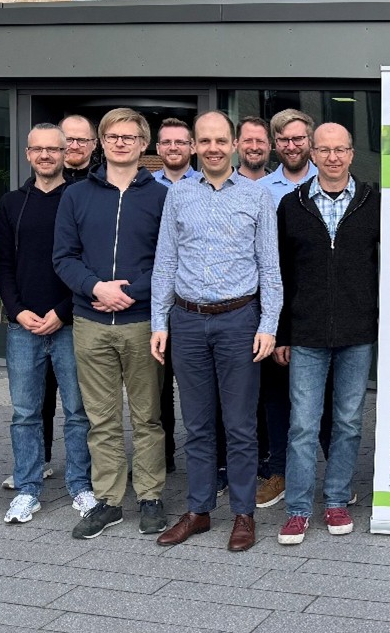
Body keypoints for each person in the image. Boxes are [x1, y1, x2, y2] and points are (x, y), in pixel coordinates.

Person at [151, 110, 282, 552]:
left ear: (234, 145)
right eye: (204, 141)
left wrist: (268, 324)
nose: (212, 148)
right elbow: (165, 261)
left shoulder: (257, 196)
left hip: (238, 320)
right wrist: (159, 321)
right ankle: (199, 510)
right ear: (193, 146)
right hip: (187, 321)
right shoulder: (178, 195)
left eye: (220, 140)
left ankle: (243, 514)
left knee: (241, 426)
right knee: (198, 424)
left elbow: (270, 267)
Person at [54, 107, 169, 540]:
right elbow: (63, 256)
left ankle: (151, 496)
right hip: (90, 322)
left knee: (148, 417)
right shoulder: (76, 195)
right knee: (100, 419)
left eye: (130, 137)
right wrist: (96, 288)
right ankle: (108, 500)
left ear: (144, 144)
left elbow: (169, 260)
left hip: (142, 322)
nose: (121, 143)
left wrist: (131, 292)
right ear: (102, 143)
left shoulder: (162, 197)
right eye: (113, 136)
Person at [274, 122, 380, 546]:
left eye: (340, 149)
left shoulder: (374, 203)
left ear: (351, 153)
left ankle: (336, 499)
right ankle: (298, 510)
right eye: (324, 150)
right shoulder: (291, 205)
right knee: (302, 424)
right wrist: (282, 332)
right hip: (306, 332)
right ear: (312, 155)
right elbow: (280, 274)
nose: (332, 157)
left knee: (349, 422)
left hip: (357, 330)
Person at [0, 124, 97, 525]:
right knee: (25, 413)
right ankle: (27, 489)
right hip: (23, 326)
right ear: (28, 154)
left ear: (65, 152)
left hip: (69, 321)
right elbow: (3, 264)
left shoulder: (80, 198)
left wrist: (62, 311)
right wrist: (17, 310)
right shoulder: (11, 203)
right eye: (37, 149)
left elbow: (88, 263)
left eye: (53, 149)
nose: (45, 155)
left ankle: (80, 485)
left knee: (77, 411)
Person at [254, 108, 328, 510]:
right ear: (274, 145)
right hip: (276, 307)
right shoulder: (262, 190)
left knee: (328, 399)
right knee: (278, 396)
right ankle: (279, 471)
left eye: (298, 138)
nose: (292, 145)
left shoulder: (331, 181)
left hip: (321, 308)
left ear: (310, 142)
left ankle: (334, 478)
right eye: (283, 140)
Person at [151, 117, 197, 474]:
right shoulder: (146, 187)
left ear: (192, 147)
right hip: (158, 298)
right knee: (158, 388)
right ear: (157, 148)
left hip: (195, 301)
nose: (173, 147)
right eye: (167, 142)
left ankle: (211, 461)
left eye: (180, 142)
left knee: (201, 388)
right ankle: (162, 457)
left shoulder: (207, 185)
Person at [236, 115, 272, 181]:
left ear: (269, 146)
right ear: (236, 144)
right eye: (248, 141)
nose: (254, 148)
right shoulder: (221, 185)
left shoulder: (283, 186)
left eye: (260, 141)